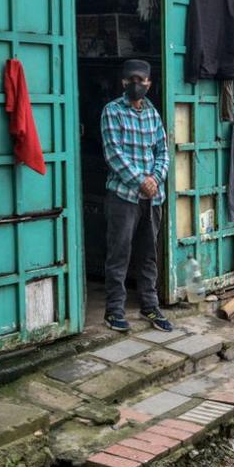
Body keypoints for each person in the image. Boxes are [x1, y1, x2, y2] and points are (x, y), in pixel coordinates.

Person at [100, 59, 173, 332]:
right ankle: (114, 310)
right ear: (123, 82)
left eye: (141, 80)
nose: (136, 84)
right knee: (119, 253)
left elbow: (163, 152)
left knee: (149, 254)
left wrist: (154, 179)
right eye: (131, 79)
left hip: (153, 197)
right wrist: (141, 181)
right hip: (123, 196)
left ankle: (150, 307)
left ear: (149, 84)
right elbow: (113, 154)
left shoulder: (153, 114)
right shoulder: (112, 111)